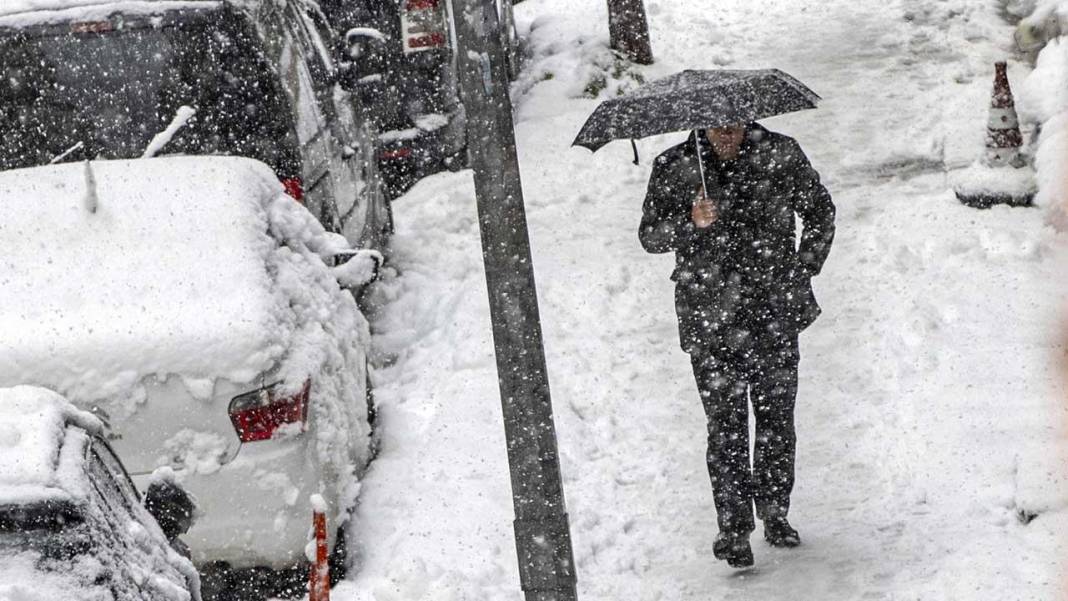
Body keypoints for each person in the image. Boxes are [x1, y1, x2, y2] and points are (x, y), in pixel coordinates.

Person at [639, 122, 835, 568]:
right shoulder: (674, 165)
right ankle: (733, 528)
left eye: (733, 126)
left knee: (775, 420)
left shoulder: (780, 154)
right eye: (716, 127)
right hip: (709, 317)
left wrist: (803, 268)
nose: (725, 135)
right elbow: (649, 236)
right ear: (700, 125)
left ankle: (774, 512)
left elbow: (820, 211)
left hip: (774, 310)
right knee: (724, 427)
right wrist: (689, 221)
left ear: (748, 122)